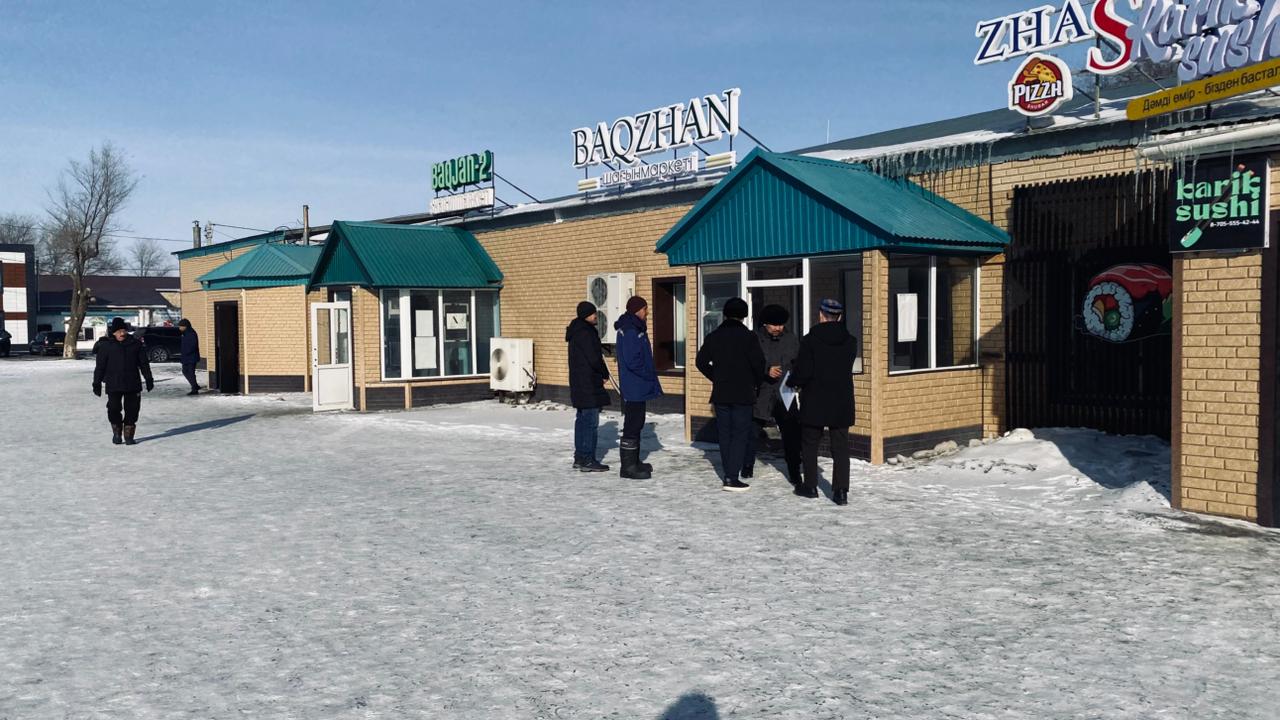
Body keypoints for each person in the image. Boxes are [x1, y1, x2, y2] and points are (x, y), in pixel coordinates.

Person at [787, 298, 858, 505]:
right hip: (842, 400)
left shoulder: (810, 340)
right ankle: (841, 492)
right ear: (840, 317)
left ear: (820, 315)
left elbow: (804, 371)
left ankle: (810, 486)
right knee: (841, 446)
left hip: (814, 399)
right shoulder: (851, 341)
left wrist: (792, 381)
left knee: (810, 444)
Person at [695, 297, 766, 492]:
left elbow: (700, 362)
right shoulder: (749, 337)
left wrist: (716, 377)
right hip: (743, 392)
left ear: (725, 314)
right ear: (744, 316)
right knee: (740, 434)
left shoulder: (714, 336)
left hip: (721, 392)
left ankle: (728, 472)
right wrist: (755, 383)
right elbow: (759, 364)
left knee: (725, 434)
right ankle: (732, 477)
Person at [745, 304, 803, 487]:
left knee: (791, 434)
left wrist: (796, 380)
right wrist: (766, 370)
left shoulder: (791, 339)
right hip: (761, 393)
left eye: (781, 325)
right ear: (765, 324)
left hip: (785, 393)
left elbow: (799, 363)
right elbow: (747, 363)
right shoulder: (754, 339)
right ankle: (746, 466)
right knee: (752, 432)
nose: (778, 328)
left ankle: (795, 472)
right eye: (774, 325)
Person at [614, 295, 662, 480]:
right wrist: (647, 373)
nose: (646, 312)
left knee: (637, 422)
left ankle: (634, 461)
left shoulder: (635, 327)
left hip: (637, 384)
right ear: (636, 310)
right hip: (634, 384)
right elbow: (633, 360)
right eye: (644, 309)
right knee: (633, 424)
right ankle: (628, 467)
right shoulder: (630, 330)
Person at [92, 317, 154, 446]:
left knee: (132, 410)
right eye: (118, 331)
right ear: (113, 333)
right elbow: (100, 366)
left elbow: (143, 363)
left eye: (123, 330)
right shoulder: (106, 346)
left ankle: (129, 435)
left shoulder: (135, 344)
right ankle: (117, 432)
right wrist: (96, 383)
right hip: (113, 383)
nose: (122, 333)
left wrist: (148, 378)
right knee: (113, 408)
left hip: (132, 383)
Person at [566, 301, 610, 472]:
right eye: (593, 313)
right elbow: (594, 358)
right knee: (590, 422)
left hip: (579, 383)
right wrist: (604, 373)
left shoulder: (576, 331)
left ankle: (580, 457)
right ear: (586, 315)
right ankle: (587, 459)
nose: (595, 316)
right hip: (588, 384)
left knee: (582, 420)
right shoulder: (586, 333)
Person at [177, 318, 201, 395]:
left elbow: (193, 345)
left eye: (180, 326)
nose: (179, 328)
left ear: (185, 326)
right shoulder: (184, 333)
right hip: (186, 357)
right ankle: (195, 386)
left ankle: (194, 389)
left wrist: (186, 352)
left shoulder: (191, 333)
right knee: (185, 371)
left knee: (190, 372)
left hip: (191, 356)